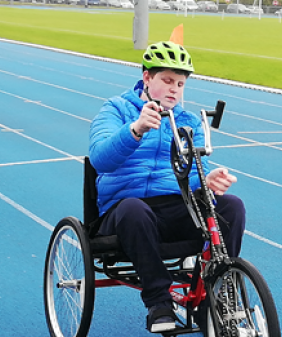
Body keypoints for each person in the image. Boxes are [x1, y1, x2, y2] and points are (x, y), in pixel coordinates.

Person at [89, 41, 245, 333]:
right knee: (135, 209)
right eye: (167, 81)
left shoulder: (188, 122)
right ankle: (159, 301)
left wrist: (208, 181)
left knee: (230, 206)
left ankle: (215, 293)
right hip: (124, 214)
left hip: (174, 209)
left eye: (181, 84)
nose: (175, 89)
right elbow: (100, 159)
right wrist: (134, 129)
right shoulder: (117, 109)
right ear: (147, 78)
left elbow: (194, 175)